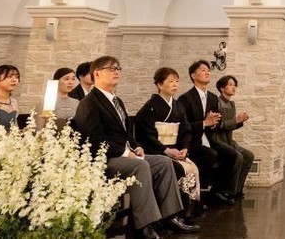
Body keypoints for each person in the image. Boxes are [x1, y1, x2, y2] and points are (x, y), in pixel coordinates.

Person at [72, 56, 198, 238]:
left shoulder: (117, 100)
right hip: (105, 159)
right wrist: (126, 153)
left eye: (118, 68)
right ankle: (145, 225)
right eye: (111, 69)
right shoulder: (89, 102)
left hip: (124, 154)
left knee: (164, 162)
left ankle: (170, 217)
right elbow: (95, 140)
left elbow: (125, 133)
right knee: (140, 165)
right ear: (97, 74)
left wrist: (136, 146)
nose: (116, 72)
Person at [135, 68, 202, 214]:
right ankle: (175, 212)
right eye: (171, 81)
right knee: (179, 169)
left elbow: (185, 130)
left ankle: (189, 210)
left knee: (192, 168)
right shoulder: (150, 107)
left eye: (177, 81)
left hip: (176, 150)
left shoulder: (179, 106)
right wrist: (166, 150)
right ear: (159, 84)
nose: (175, 84)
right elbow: (146, 134)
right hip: (158, 151)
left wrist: (184, 148)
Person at [179, 60, 238, 204]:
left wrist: (212, 124)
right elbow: (184, 126)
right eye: (203, 70)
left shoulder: (212, 98)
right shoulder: (185, 98)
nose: (207, 72)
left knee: (231, 154)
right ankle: (200, 194)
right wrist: (205, 123)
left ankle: (216, 192)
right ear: (193, 75)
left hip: (210, 139)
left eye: (208, 70)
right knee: (211, 154)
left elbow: (216, 124)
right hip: (193, 141)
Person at [212, 75, 254, 196]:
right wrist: (236, 120)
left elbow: (230, 126)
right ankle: (227, 191)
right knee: (238, 156)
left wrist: (240, 121)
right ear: (222, 88)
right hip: (218, 140)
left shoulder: (231, 104)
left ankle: (237, 190)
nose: (233, 87)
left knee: (249, 155)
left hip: (229, 140)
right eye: (230, 85)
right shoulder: (216, 103)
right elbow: (219, 125)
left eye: (234, 85)